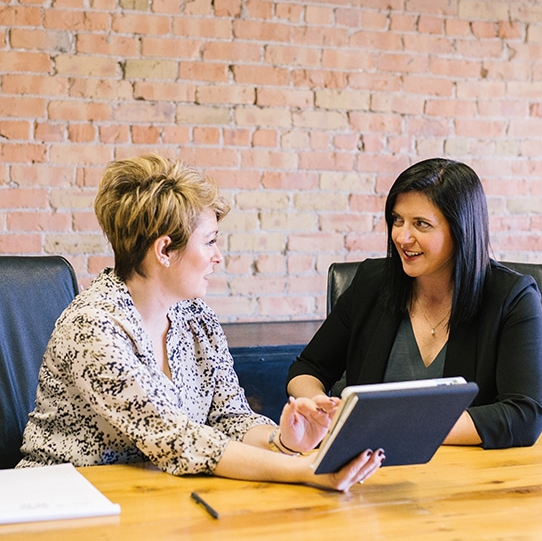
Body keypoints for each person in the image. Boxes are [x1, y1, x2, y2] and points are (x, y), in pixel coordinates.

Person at [18, 154, 384, 491]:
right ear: (164, 250)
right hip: (61, 500)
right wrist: (306, 470)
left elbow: (229, 416)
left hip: (156, 494)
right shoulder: (93, 327)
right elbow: (178, 439)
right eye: (209, 242)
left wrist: (284, 441)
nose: (218, 257)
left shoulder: (195, 316)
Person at [287, 158, 542, 449]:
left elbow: (524, 414)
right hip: (368, 469)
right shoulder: (371, 283)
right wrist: (316, 405)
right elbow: (307, 368)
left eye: (421, 224)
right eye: (397, 220)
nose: (402, 236)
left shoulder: (512, 297)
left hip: (469, 473)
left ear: (461, 229)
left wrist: (395, 427)